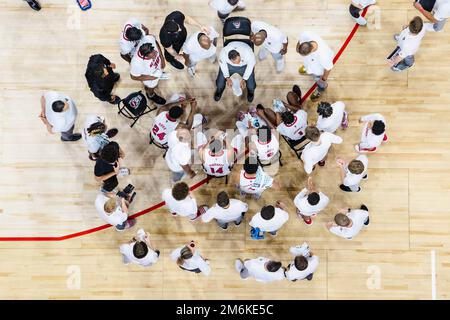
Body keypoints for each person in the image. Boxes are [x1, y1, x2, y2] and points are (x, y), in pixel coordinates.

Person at [297, 31, 334, 101]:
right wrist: (297, 47)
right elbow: (299, 40)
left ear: (311, 52)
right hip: (310, 62)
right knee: (307, 63)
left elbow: (328, 68)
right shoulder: (305, 34)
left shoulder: (323, 55)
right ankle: (307, 68)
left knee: (317, 78)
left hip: (318, 71)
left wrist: (323, 79)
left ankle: (321, 88)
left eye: (305, 55)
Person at [130, 35, 167, 105]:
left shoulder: (148, 39)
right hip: (149, 76)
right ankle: (151, 95)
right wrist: (152, 77)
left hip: (156, 70)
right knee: (151, 87)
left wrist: (162, 58)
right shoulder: (136, 63)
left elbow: (155, 42)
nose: (156, 55)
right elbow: (133, 77)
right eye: (153, 56)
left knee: (156, 81)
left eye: (154, 52)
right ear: (145, 56)